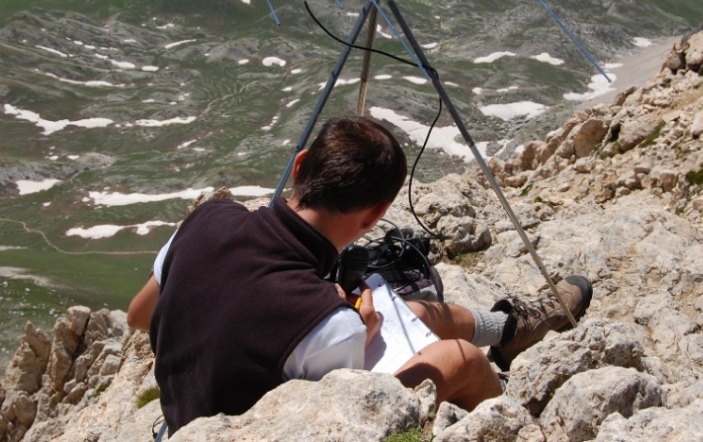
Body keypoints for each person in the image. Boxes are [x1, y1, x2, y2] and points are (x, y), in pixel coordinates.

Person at [128, 116, 592, 435]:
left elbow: (139, 314)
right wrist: (358, 326)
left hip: (180, 419)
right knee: (461, 360)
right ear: (375, 216)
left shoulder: (209, 219)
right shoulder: (329, 323)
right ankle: (513, 421)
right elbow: (346, 412)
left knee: (411, 313)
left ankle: (507, 329)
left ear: (299, 167)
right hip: (255, 429)